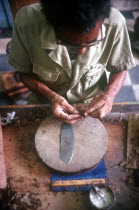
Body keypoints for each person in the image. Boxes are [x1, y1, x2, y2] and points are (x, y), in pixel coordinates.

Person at [9, 0, 135, 124]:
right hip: (45, 100)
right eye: (69, 43)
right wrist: (51, 96)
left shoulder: (115, 23)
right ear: (52, 26)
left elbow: (120, 67)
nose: (82, 51)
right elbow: (24, 73)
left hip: (92, 104)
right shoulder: (26, 22)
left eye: (92, 41)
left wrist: (109, 96)